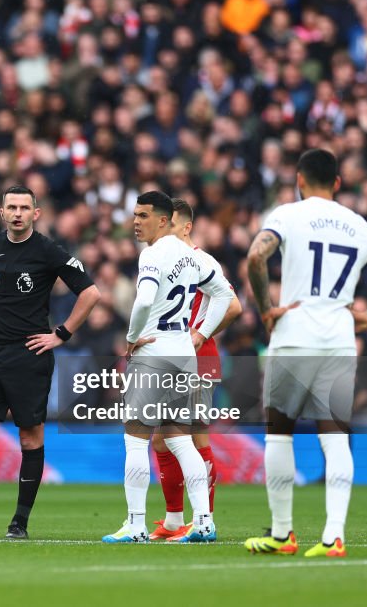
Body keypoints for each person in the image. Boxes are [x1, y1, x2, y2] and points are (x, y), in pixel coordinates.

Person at [245, 148, 367, 557]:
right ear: (338, 183)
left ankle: (283, 534)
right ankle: (334, 536)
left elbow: (256, 255)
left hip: (293, 336)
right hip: (340, 339)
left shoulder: (287, 215)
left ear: (300, 180)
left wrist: (266, 308)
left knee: (280, 432)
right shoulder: (356, 224)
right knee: (336, 435)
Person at [0, 185, 101, 540]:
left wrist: (62, 334)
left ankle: (20, 523)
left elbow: (90, 293)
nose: (17, 213)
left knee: (30, 438)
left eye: (24, 208)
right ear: (1, 211)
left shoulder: (47, 250)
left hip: (31, 356)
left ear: (36, 213)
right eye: (11, 207)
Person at [102, 190, 234, 545]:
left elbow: (144, 299)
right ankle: (204, 522)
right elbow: (224, 295)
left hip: (154, 351)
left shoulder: (153, 255)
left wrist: (131, 337)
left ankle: (136, 524)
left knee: (135, 439)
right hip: (184, 355)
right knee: (180, 440)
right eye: (134, 215)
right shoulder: (192, 257)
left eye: (143, 216)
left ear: (163, 220)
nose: (135, 222)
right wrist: (202, 332)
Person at [148, 199, 242, 541]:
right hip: (170, 358)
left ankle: (205, 520)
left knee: (191, 438)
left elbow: (233, 306)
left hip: (196, 361)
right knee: (161, 440)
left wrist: (201, 334)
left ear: (186, 227)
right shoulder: (167, 259)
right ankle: (175, 521)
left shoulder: (201, 260)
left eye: (169, 225)